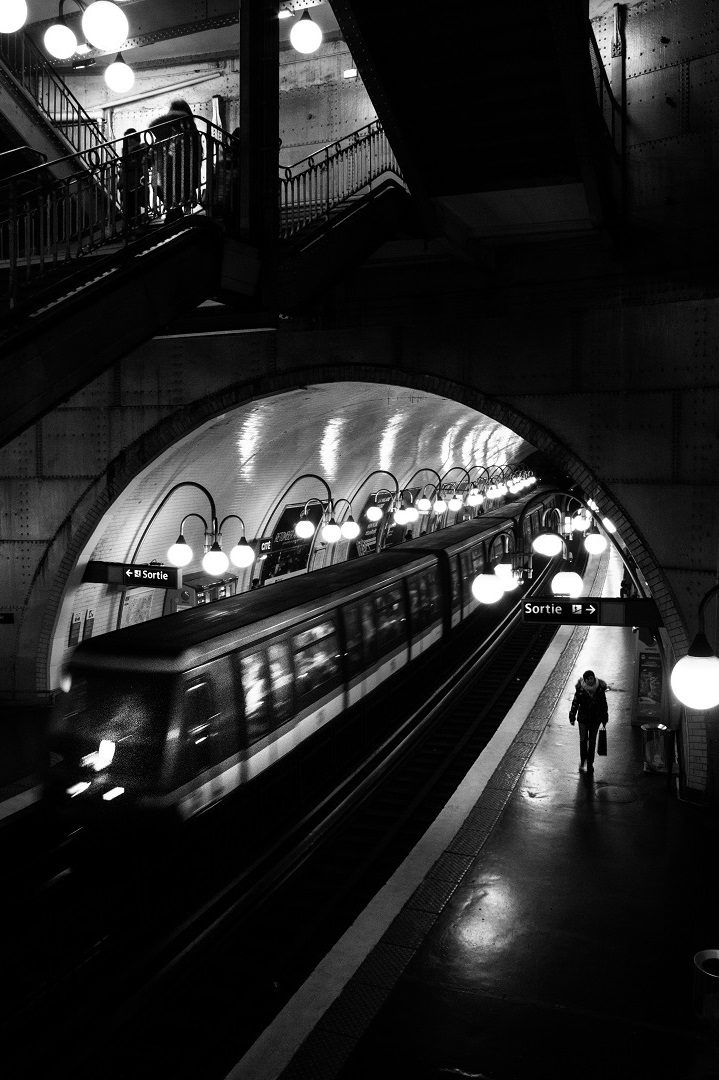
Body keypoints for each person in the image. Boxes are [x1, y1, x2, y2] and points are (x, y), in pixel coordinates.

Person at [569, 669, 608, 773]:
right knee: (583, 740)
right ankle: (583, 760)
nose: (590, 680)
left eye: (592, 678)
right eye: (588, 679)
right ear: (585, 680)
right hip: (583, 719)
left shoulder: (600, 689)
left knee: (592, 741)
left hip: (595, 719)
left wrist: (604, 718)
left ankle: (590, 763)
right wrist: (572, 716)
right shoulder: (580, 690)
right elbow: (575, 703)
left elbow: (603, 704)